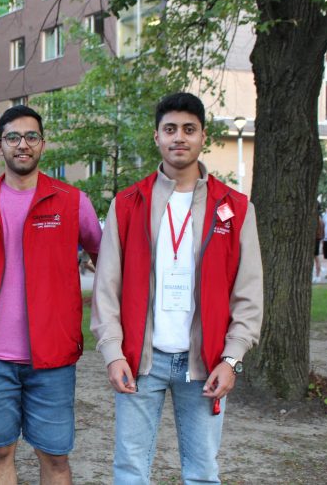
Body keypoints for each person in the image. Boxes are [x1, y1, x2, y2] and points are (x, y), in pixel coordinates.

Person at [90, 92, 263, 483]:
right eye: (170, 129)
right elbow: (106, 287)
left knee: (202, 473)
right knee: (130, 470)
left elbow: (249, 295)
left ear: (204, 137)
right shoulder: (128, 204)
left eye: (189, 129)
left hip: (205, 365)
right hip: (140, 361)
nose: (179, 137)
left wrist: (232, 358)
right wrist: (113, 353)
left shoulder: (235, 208)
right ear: (156, 137)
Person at [0, 105, 102, 484]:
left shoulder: (72, 202)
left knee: (56, 457)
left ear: (43, 144)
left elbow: (105, 258)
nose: (22, 145)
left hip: (52, 356)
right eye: (13, 137)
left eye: (31, 137)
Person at [313, 201, 324, 283]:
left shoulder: (317, 218)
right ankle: (317, 275)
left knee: (316, 257)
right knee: (316, 258)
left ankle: (317, 275)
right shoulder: (318, 217)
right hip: (317, 238)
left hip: (315, 239)